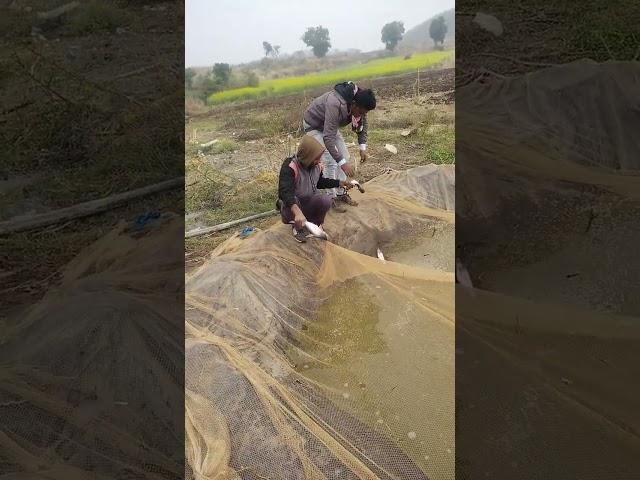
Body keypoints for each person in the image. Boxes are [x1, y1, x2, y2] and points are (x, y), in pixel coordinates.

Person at [302, 81, 376, 212]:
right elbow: (328, 138)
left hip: (329, 126)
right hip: (314, 125)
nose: (361, 115)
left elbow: (362, 126)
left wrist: (362, 148)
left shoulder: (361, 103)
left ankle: (341, 193)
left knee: (345, 156)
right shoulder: (335, 103)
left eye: (364, 113)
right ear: (353, 104)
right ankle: (331, 198)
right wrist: (342, 163)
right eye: (360, 112)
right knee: (331, 161)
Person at [277, 134, 355, 242]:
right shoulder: (290, 166)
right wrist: (297, 212)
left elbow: (320, 182)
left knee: (325, 200)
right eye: (316, 158)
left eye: (319, 158)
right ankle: (297, 228)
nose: (319, 161)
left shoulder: (316, 166)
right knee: (293, 200)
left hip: (307, 202)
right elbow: (284, 192)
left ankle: (315, 224)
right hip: (292, 206)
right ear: (307, 155)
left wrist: (339, 183)